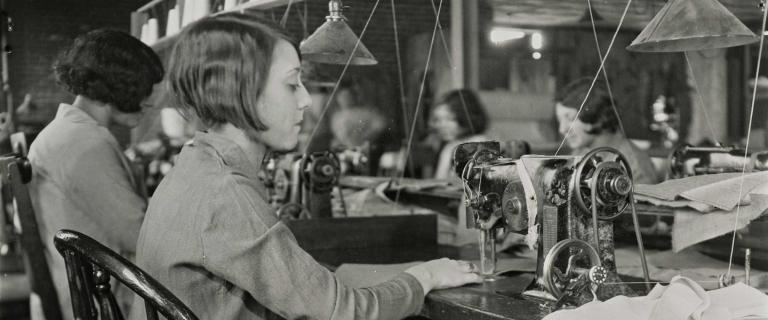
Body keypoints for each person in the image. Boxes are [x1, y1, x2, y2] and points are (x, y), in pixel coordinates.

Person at [129, 13, 482, 320]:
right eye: (291, 84)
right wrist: (426, 278)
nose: (306, 100)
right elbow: (341, 312)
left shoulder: (197, 168)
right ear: (239, 92)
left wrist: (411, 273)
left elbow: (312, 291)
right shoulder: (225, 192)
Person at [28, 29, 163, 319]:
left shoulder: (69, 131)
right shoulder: (85, 143)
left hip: (82, 290)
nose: (150, 101)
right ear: (119, 85)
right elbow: (140, 237)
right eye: (144, 88)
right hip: (96, 305)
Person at [555, 78, 660, 184]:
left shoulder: (634, 165)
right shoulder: (580, 153)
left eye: (570, 118)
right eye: (559, 120)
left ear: (594, 115)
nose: (562, 129)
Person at [430, 89, 490, 180]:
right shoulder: (450, 146)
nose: (442, 125)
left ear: (467, 117)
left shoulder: (478, 144)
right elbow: (439, 182)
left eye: (450, 119)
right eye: (438, 120)